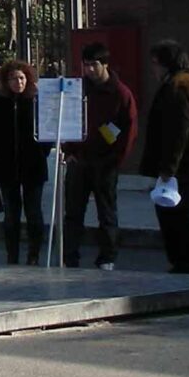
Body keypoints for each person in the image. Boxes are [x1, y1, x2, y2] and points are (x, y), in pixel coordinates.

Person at [141, 40, 189, 275]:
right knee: (182, 212)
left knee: (176, 214)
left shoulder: (178, 86)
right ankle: (188, 261)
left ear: (167, 64)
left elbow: (178, 130)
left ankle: (186, 261)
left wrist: (168, 167)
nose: (153, 69)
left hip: (180, 166)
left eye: (155, 64)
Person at [63, 42, 137, 271]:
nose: (89, 70)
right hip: (79, 160)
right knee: (73, 212)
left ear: (105, 64)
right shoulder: (78, 89)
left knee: (106, 212)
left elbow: (129, 129)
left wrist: (115, 160)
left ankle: (107, 257)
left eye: (94, 65)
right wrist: (69, 151)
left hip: (105, 162)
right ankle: (69, 256)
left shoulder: (120, 93)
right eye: (86, 65)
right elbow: (66, 119)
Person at [0, 60, 47, 264]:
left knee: (33, 212)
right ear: (5, 81)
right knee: (11, 214)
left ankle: (34, 254)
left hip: (33, 165)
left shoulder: (36, 102)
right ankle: (12, 255)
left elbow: (46, 132)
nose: (18, 82)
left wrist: (41, 152)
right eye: (13, 78)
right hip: (6, 165)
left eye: (21, 78)